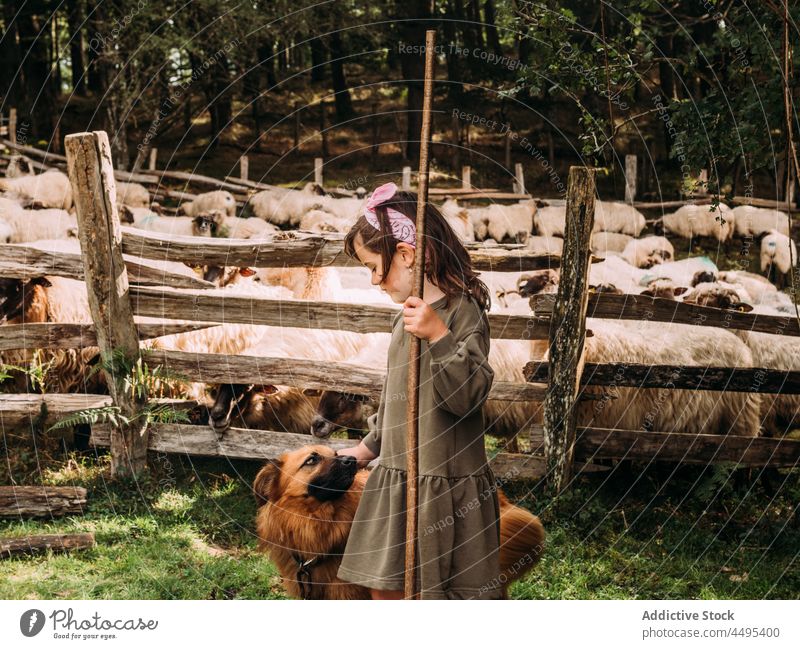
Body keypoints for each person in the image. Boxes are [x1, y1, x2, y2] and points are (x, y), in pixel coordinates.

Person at [335, 181, 503, 600]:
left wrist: (439, 336)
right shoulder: (404, 318)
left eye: (376, 267)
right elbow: (400, 396)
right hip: (398, 479)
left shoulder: (463, 314)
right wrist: (370, 446)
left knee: (440, 599)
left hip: (443, 487)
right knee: (385, 589)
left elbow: (465, 398)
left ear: (407, 255)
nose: (374, 280)